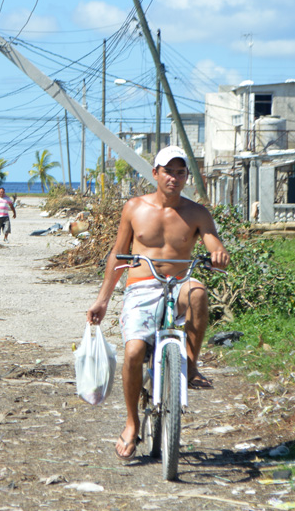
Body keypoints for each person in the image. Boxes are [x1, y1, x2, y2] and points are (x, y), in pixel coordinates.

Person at [86, 145, 229, 461]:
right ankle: (131, 421)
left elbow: (212, 240)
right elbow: (118, 255)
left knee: (198, 293)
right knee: (134, 352)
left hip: (179, 284)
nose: (174, 178)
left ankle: (189, 365)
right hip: (142, 287)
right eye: (168, 171)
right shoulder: (134, 208)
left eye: (181, 172)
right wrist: (103, 300)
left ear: (186, 177)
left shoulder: (197, 213)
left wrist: (218, 253)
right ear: (155, 173)